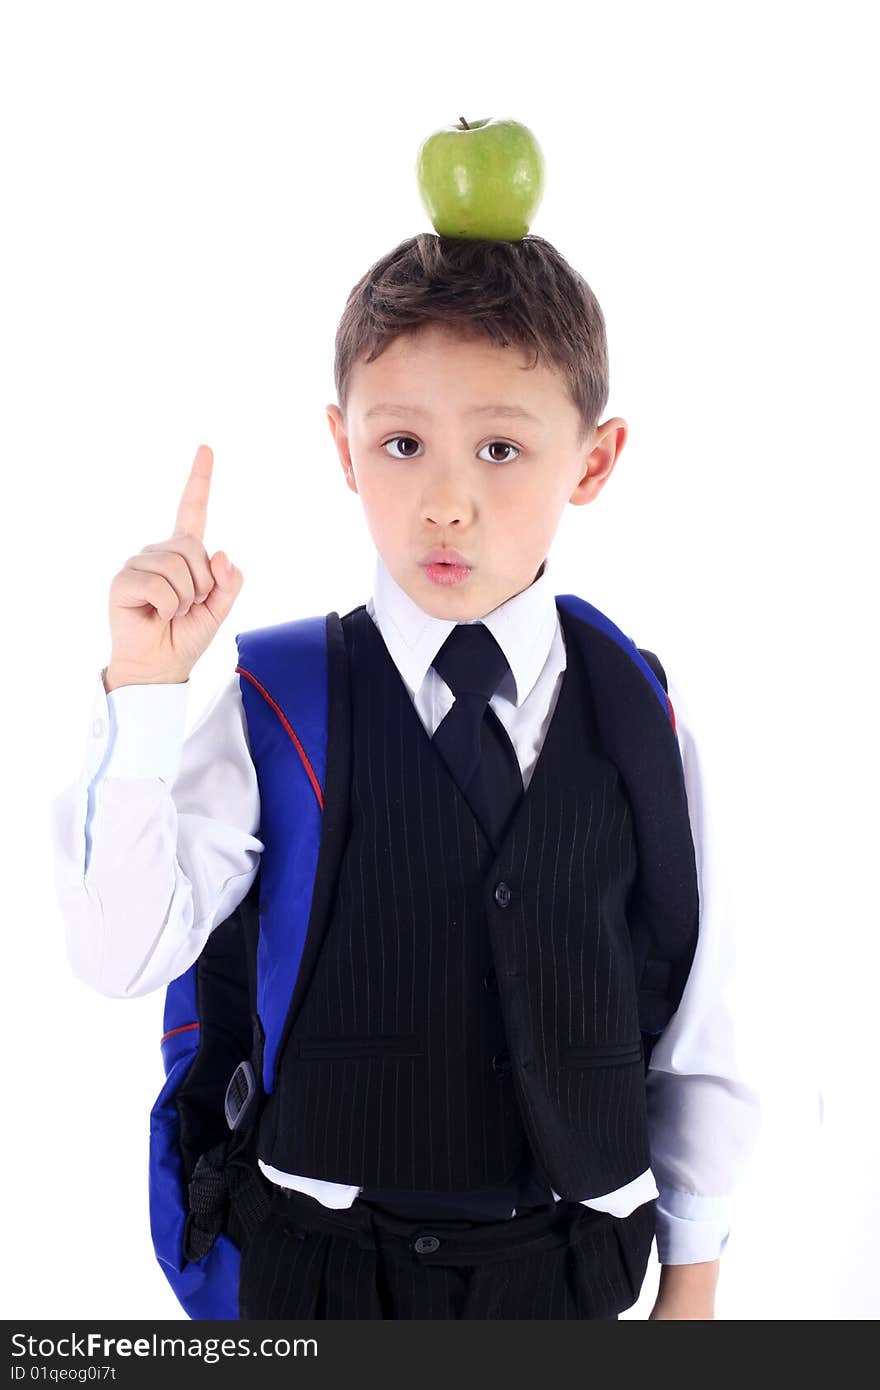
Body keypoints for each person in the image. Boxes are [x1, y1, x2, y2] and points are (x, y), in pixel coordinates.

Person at [50, 233, 759, 1320]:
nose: (443, 503)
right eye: (401, 444)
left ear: (596, 460)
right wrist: (145, 692)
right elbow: (118, 955)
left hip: (565, 1270)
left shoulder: (638, 712)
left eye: (500, 452)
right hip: (319, 1269)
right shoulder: (279, 700)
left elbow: (696, 1012)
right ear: (342, 446)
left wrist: (693, 1281)